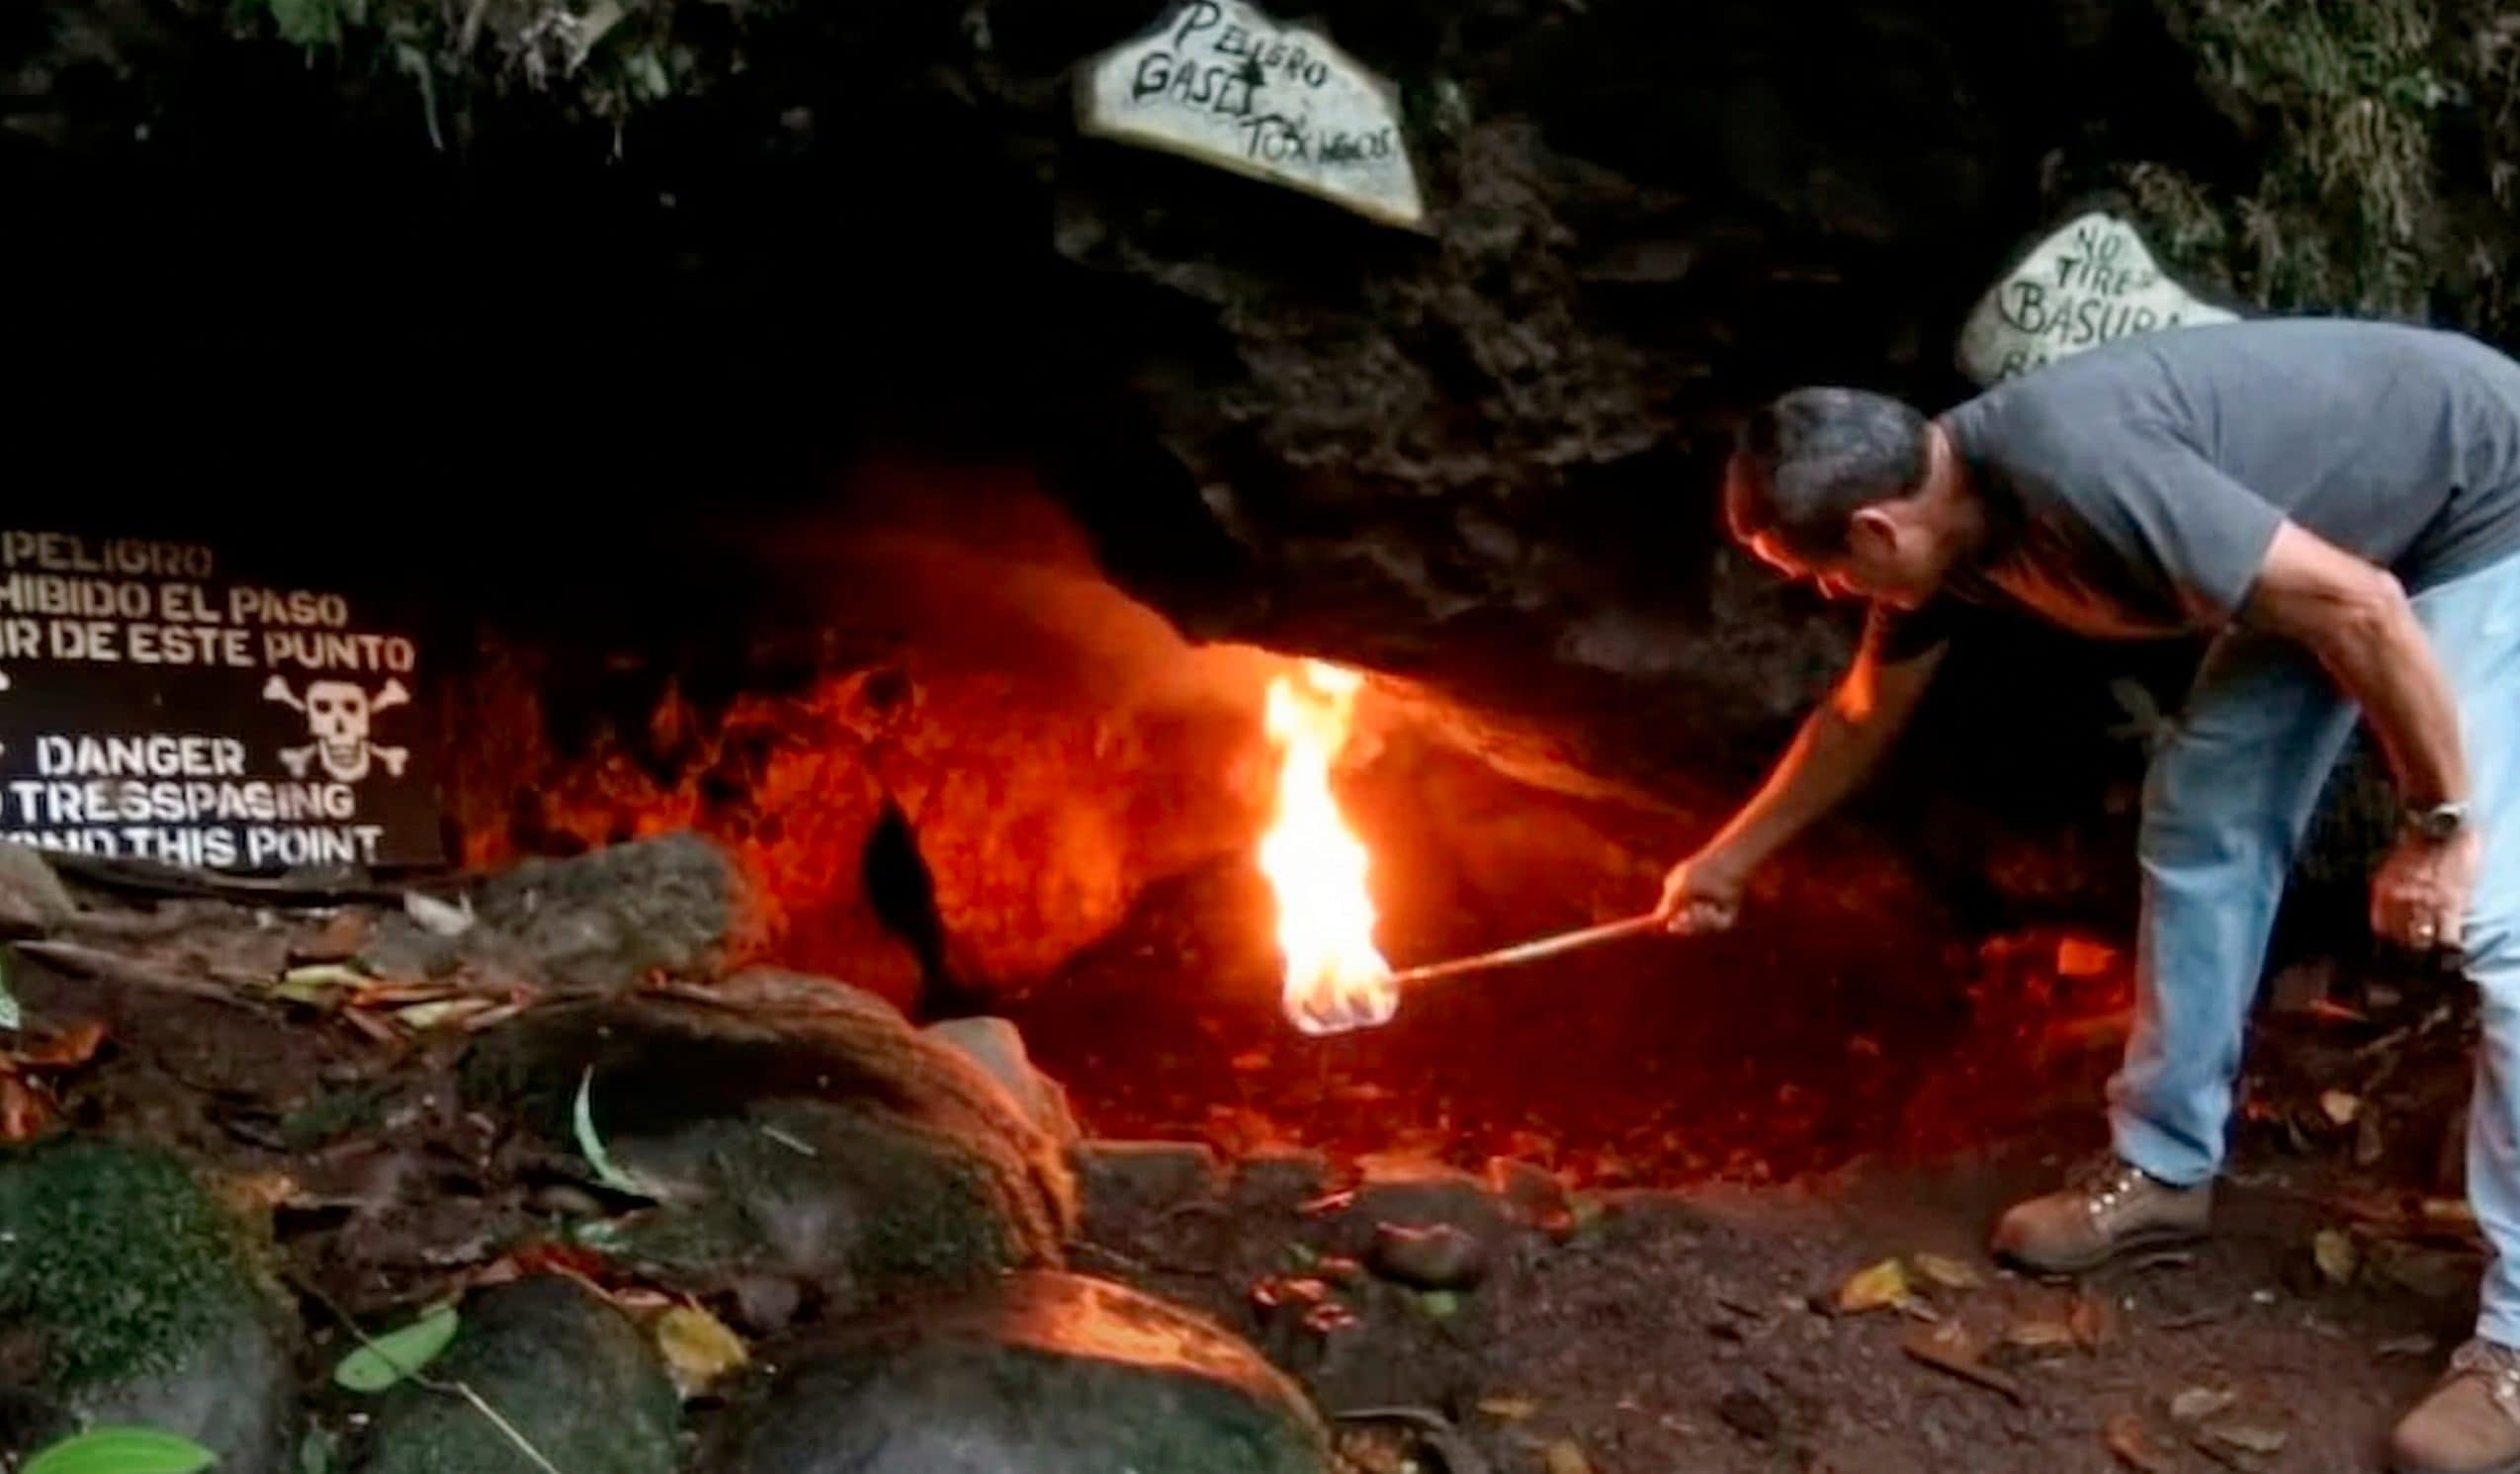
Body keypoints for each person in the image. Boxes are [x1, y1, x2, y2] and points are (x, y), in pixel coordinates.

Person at [1660, 315, 2520, 1474]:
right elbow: (1861, 712)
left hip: (2479, 502)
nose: (1825, 594)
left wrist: (2439, 830)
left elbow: (2360, 608)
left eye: (1819, 571)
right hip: (2338, 543)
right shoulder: (1942, 537)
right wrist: (1729, 857)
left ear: (1873, 525)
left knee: (2497, 917)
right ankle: (2164, 1164)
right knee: (2205, 814)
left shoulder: (2081, 470)